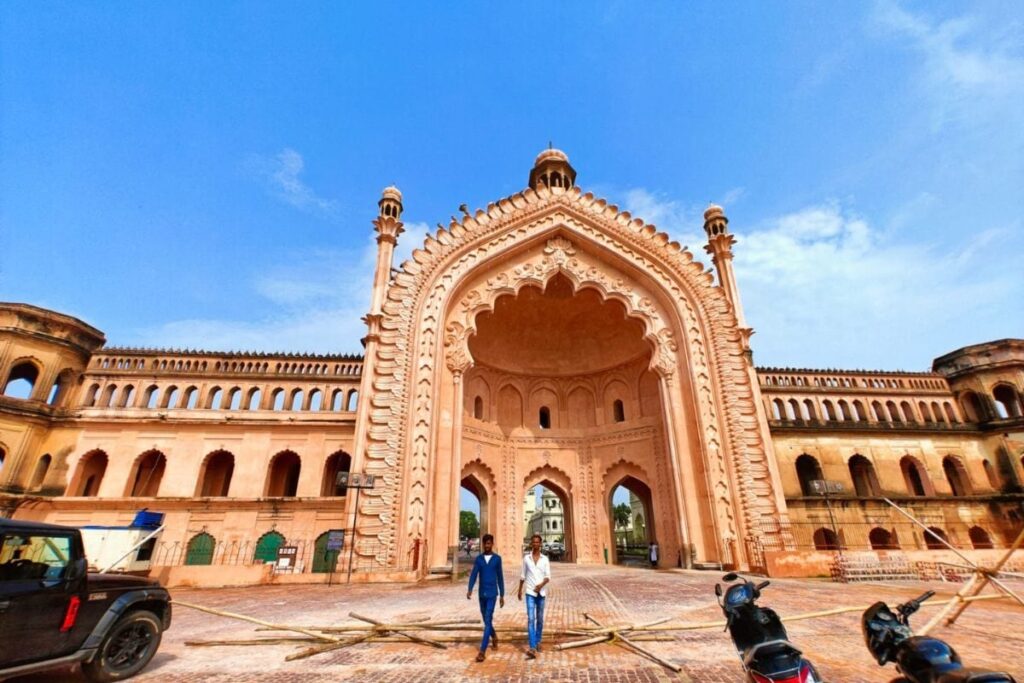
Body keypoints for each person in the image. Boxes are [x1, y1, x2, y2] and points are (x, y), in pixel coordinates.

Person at [467, 533, 504, 662]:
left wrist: (502, 595)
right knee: (486, 619)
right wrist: (470, 588)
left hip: (492, 594)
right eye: (485, 543)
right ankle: (494, 636)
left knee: (488, 619)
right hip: (482, 594)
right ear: (483, 544)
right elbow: (473, 575)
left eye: (489, 543)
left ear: (492, 544)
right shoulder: (479, 559)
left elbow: (500, 577)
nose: (487, 546)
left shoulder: (497, 559)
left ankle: (482, 650)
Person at [517, 534, 551, 659]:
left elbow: (548, 576)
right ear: (531, 544)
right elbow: (522, 576)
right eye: (534, 542)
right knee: (531, 619)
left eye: (538, 542)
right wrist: (520, 590)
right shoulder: (526, 559)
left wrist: (541, 585)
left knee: (540, 619)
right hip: (530, 593)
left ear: (540, 544)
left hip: (541, 593)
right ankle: (532, 646)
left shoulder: (545, 559)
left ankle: (538, 641)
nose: (536, 544)